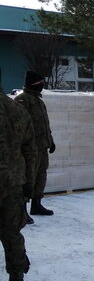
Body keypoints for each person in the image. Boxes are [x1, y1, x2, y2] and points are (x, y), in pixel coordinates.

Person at [0, 69, 37, 281]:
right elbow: (30, 150)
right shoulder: (17, 109)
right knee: (12, 232)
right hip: (12, 183)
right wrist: (29, 183)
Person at [15, 71, 56, 223]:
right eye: (40, 83)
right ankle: (22, 210)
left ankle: (37, 205)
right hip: (29, 149)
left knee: (41, 176)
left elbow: (45, 125)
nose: (42, 85)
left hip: (42, 146)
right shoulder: (22, 100)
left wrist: (50, 141)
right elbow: (20, 126)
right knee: (28, 178)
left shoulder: (39, 101)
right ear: (33, 83)